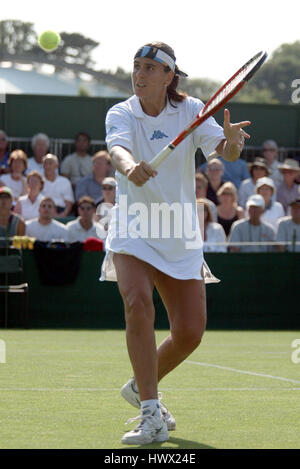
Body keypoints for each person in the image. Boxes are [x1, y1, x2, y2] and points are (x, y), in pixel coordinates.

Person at [101, 41, 250, 445]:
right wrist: (130, 167)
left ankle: (139, 385)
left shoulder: (191, 110)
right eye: (136, 66)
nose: (140, 74)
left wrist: (234, 142)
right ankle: (150, 412)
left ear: (169, 76)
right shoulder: (122, 112)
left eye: (150, 68)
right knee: (137, 303)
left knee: (189, 333)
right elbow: (117, 149)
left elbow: (226, 151)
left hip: (178, 232)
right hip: (134, 228)